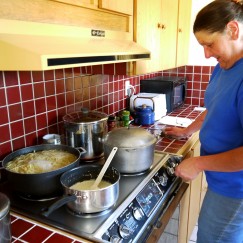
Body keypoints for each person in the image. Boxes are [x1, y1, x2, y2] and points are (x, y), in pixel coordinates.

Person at [164, 0, 243, 242]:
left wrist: (198, 164)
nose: (206, 54)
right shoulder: (223, 65)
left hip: (235, 189)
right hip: (222, 180)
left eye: (209, 44)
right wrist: (187, 130)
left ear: (232, 30)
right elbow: (216, 108)